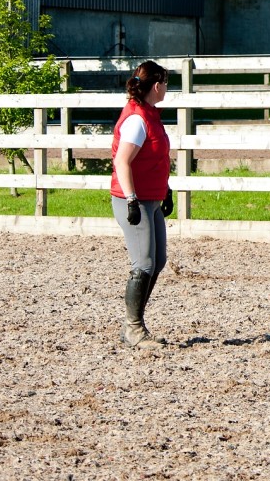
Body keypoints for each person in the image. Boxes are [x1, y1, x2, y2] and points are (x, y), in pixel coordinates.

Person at [110, 60, 174, 349]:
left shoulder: (150, 114)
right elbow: (122, 161)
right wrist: (132, 200)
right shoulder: (137, 119)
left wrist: (166, 188)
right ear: (157, 85)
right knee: (144, 264)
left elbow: (154, 158)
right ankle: (134, 329)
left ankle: (134, 324)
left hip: (151, 198)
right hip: (132, 199)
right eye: (166, 84)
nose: (167, 89)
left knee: (157, 261)